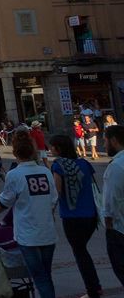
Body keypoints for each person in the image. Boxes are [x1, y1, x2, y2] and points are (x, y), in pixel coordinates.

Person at [0, 130, 57, 298]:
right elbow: (53, 200)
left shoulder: (15, 174)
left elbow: (4, 201)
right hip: (47, 231)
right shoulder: (46, 172)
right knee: (46, 274)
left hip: (28, 233)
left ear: (15, 152)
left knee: (39, 276)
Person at [48, 133, 101, 298]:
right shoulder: (84, 163)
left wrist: (49, 212)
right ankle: (94, 287)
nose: (50, 149)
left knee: (80, 253)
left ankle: (93, 289)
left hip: (72, 217)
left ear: (58, 148)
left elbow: (56, 192)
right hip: (91, 215)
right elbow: (93, 187)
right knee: (82, 250)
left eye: (52, 146)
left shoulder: (58, 165)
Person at [103, 124, 124, 287]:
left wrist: (108, 224)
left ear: (114, 141)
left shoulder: (116, 166)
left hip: (120, 228)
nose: (104, 145)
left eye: (105, 141)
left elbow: (110, 201)